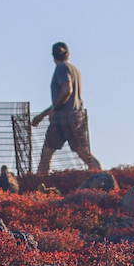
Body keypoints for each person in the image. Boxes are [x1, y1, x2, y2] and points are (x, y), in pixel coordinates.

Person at [32, 42, 102, 177]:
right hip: (76, 115)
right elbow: (63, 98)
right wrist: (43, 115)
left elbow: (66, 91)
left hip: (63, 118)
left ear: (53, 56)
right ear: (68, 54)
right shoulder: (74, 70)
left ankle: (38, 183)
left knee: (47, 152)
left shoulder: (62, 69)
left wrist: (54, 110)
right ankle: (104, 177)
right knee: (82, 151)